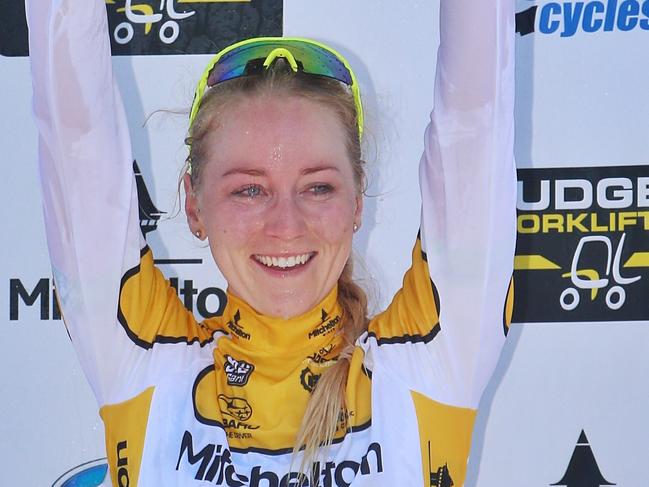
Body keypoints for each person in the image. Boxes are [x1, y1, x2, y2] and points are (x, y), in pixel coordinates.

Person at [27, 0, 516, 485]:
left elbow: (475, 121)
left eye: (317, 187)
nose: (286, 225)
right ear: (195, 207)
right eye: (249, 190)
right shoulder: (143, 363)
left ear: (357, 203)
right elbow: (77, 139)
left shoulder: (431, 361)